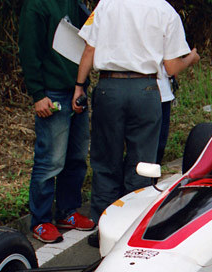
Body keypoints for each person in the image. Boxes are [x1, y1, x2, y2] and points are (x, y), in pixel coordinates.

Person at [73, 0, 200, 241]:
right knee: (142, 163)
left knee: (105, 161)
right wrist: (191, 58)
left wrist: (79, 86)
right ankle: (132, 231)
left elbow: (89, 50)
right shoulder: (164, 10)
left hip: (109, 87)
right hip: (146, 89)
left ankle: (103, 229)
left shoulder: (106, 5)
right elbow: (171, 67)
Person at [18, 0, 95, 244]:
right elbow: (29, 50)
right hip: (52, 92)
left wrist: (82, 85)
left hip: (77, 89)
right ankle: (40, 220)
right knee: (50, 161)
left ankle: (67, 212)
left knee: (76, 157)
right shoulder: (37, 5)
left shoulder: (73, 4)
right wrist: (38, 94)